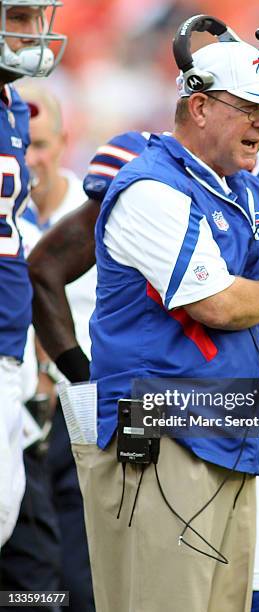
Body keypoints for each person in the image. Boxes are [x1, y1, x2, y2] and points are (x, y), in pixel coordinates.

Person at [77, 20, 259, 612]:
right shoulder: (151, 186)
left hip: (228, 429)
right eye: (250, 107)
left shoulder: (247, 189)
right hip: (161, 429)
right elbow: (221, 306)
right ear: (198, 107)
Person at [1, 86, 95, 611]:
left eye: (40, 145)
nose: (30, 158)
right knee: (30, 585)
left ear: (64, 142)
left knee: (78, 579)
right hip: (21, 412)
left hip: (79, 415)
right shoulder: (10, 221)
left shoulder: (98, 214)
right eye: (23, 144)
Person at [0, 0, 65, 551]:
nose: (31, 33)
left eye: (33, 17)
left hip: (12, 348)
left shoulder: (14, 108)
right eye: (17, 16)